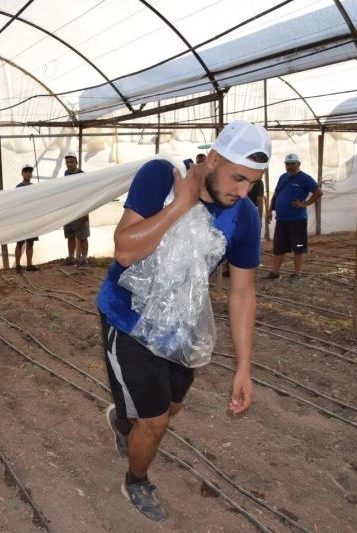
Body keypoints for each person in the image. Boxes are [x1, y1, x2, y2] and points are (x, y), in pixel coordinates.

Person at [96, 120, 270, 522]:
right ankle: (136, 480)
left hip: (181, 326)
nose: (243, 192)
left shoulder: (243, 215)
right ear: (212, 160)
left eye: (253, 183)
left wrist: (245, 369)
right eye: (237, 178)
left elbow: (242, 291)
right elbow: (124, 251)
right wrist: (182, 203)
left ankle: (123, 420)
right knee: (154, 422)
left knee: (170, 407)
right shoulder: (162, 176)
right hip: (128, 320)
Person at [263, 153, 322, 282]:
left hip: (297, 220)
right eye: (287, 164)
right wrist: (269, 210)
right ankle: (275, 272)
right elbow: (276, 195)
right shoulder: (283, 177)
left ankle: (297, 274)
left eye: (292, 164)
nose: (290, 167)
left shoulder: (305, 178)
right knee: (278, 247)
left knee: (298, 247)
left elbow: (318, 192)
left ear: (299, 164)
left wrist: (305, 203)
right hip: (282, 220)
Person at [62, 151, 90, 268]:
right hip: (69, 210)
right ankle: (71, 257)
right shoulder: (66, 174)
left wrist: (86, 211)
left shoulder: (82, 175)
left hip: (80, 210)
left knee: (82, 236)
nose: (69, 164)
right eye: (67, 162)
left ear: (76, 162)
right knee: (70, 236)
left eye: (72, 161)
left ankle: (84, 259)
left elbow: (87, 193)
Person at [14, 163, 39, 273]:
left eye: (30, 171)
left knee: (30, 243)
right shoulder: (18, 188)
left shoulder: (35, 187)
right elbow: (16, 204)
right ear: (22, 173)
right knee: (19, 243)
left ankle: (29, 264)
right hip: (21, 219)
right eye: (26, 171)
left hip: (32, 219)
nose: (28, 173)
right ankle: (18, 265)